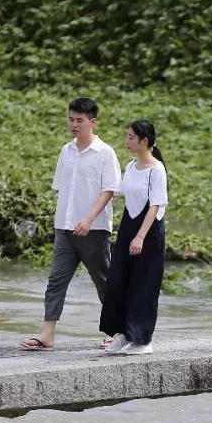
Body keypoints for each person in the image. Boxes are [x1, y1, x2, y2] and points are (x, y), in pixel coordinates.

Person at [20, 97, 121, 351]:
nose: (74, 125)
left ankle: (116, 332)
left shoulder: (105, 153)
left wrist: (88, 219)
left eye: (79, 120)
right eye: (71, 119)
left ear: (92, 122)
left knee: (103, 281)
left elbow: (109, 190)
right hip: (65, 228)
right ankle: (48, 334)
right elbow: (62, 188)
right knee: (56, 279)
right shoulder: (66, 150)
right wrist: (65, 221)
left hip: (94, 229)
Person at [99, 119, 168, 355]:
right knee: (118, 280)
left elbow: (155, 206)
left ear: (144, 141)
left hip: (148, 231)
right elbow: (117, 192)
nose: (126, 140)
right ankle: (121, 334)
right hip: (128, 226)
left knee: (143, 284)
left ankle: (142, 340)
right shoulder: (130, 166)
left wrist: (139, 237)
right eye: (126, 136)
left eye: (130, 137)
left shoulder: (157, 169)